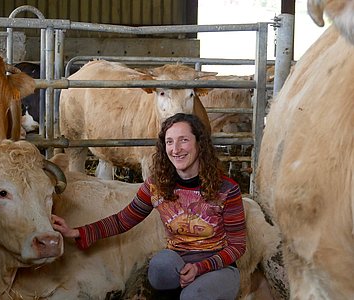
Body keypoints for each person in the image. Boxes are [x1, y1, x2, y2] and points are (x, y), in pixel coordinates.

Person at [52, 112, 246, 300]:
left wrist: (200, 267)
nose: (176, 149)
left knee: (194, 296)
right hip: (179, 262)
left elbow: (237, 246)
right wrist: (77, 232)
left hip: (218, 266)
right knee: (160, 267)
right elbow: (123, 220)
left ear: (200, 144)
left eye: (184, 140)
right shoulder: (157, 185)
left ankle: (198, 290)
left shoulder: (227, 189)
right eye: (169, 142)